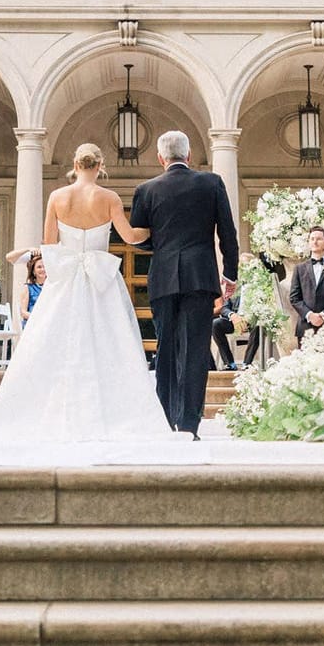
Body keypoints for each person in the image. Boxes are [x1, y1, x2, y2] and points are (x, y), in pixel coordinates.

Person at [0, 142, 174, 443]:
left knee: (54, 343)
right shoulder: (109, 197)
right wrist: (157, 228)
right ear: (100, 167)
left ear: (75, 165)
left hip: (64, 281)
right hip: (102, 283)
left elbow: (50, 243)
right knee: (110, 344)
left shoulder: (57, 196)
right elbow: (130, 236)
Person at [129, 130, 239, 437]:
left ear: (160, 158)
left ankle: (166, 420)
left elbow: (138, 238)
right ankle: (189, 424)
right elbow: (227, 233)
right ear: (188, 155)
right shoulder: (211, 182)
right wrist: (230, 274)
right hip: (200, 276)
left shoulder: (145, 189)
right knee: (195, 350)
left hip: (163, 277)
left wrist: (163, 245)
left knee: (165, 348)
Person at [288, 226, 324, 343]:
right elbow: (294, 298)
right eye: (312, 239)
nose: (315, 242)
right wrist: (310, 315)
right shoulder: (299, 268)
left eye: (319, 239)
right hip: (305, 327)